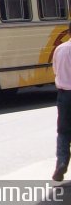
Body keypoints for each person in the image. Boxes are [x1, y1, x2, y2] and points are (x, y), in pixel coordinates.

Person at [52, 22, 71, 181]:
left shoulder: (60, 49)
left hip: (64, 95)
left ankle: (62, 161)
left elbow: (55, 70)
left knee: (63, 131)